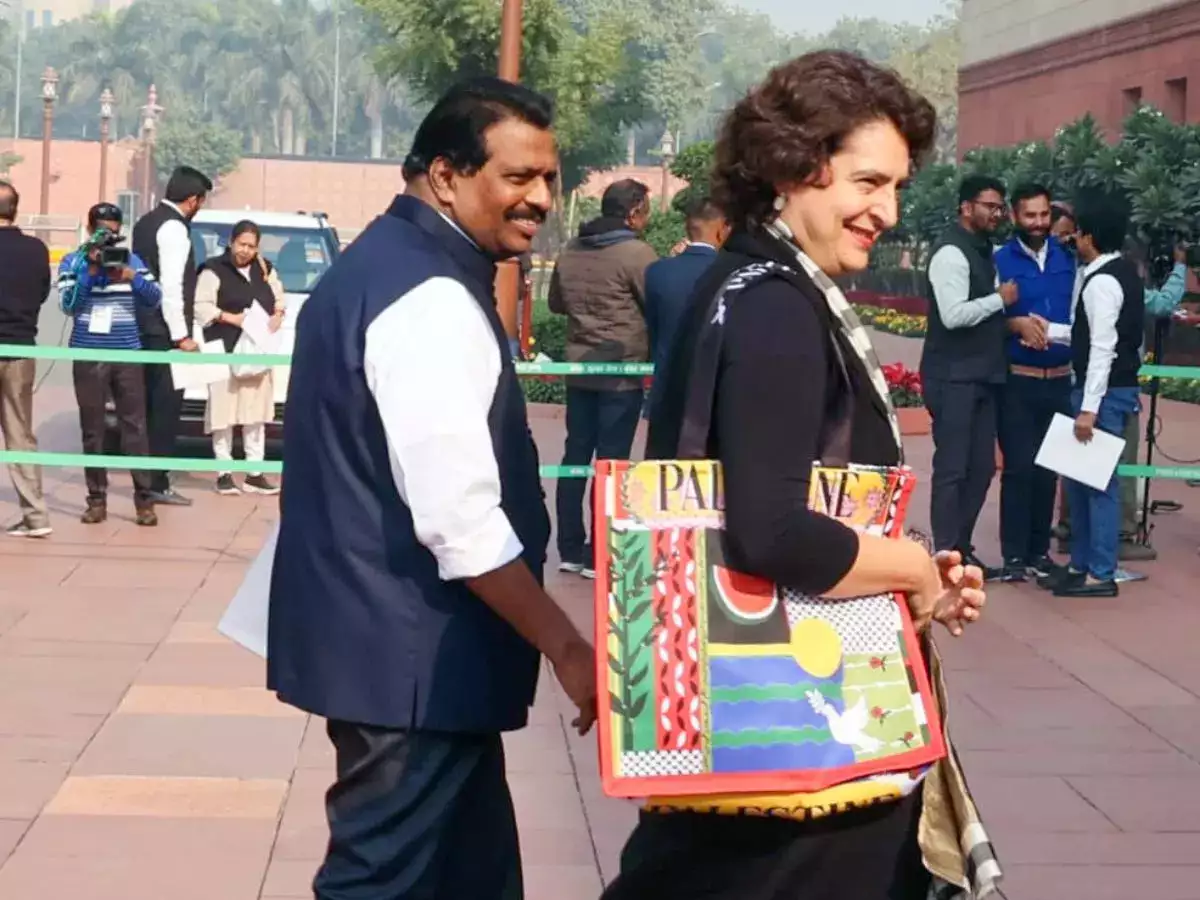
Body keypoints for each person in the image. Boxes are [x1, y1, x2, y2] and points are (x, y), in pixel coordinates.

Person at [602, 51, 994, 900]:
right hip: (800, 753)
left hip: (754, 738)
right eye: (867, 182)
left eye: (896, 187)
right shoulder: (778, 306)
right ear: (795, 168)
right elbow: (771, 527)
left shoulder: (740, 281)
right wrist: (914, 569)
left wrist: (912, 573)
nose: (886, 210)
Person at [266, 77, 597, 900]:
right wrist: (566, 645)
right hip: (411, 665)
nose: (540, 199)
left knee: (468, 877)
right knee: (381, 882)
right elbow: (462, 525)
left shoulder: (380, 265)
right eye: (517, 177)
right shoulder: (429, 296)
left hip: (411, 662)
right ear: (444, 174)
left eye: (549, 179)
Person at [549, 178, 657, 578]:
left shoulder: (571, 249)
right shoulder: (637, 254)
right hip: (621, 374)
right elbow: (655, 302)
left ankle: (569, 550)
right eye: (645, 209)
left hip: (579, 370)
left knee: (575, 458)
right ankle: (600, 553)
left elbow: (557, 303)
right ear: (632, 212)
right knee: (611, 463)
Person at [1038, 191, 1145, 598]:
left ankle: (1099, 571)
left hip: (1102, 393)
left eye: (1077, 233)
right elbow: (1093, 336)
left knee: (1097, 484)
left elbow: (1103, 348)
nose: (1073, 239)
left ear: (1089, 237)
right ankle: (1082, 564)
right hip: (1106, 389)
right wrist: (1049, 329)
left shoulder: (1102, 283)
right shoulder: (1121, 273)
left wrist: (1088, 408)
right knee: (1083, 481)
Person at [920, 175, 1018, 580]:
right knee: (953, 469)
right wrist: (1001, 300)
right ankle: (945, 556)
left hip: (982, 376)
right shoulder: (950, 253)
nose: (996, 213)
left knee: (981, 469)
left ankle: (961, 546)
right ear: (966, 207)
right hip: (952, 377)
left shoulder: (983, 252)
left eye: (999, 207)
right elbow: (953, 314)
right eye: (988, 206)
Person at [58, 202, 162, 526]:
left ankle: (144, 501)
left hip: (127, 353)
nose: (107, 239)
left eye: (113, 232)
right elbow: (68, 305)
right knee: (94, 430)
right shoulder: (73, 261)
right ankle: (96, 500)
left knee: (135, 427)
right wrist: (89, 272)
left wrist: (132, 278)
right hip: (89, 354)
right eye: (101, 231)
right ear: (90, 231)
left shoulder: (130, 260)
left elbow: (155, 298)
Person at [993, 184, 1077, 583]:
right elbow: (987, 318)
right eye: (1030, 216)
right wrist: (1014, 323)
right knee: (1018, 469)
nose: (1039, 223)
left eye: (1044, 215)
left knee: (1049, 471)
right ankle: (1013, 556)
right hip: (1018, 384)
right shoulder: (999, 260)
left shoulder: (1069, 260)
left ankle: (1038, 552)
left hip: (1059, 383)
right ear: (1015, 217)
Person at [131, 165, 212, 507]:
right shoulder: (174, 229)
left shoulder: (145, 222)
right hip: (163, 331)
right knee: (165, 408)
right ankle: (157, 482)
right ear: (192, 200)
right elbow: (172, 287)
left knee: (148, 407)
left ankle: (145, 480)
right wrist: (181, 335)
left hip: (143, 325)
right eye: (201, 201)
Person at [194, 219, 285, 496]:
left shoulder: (265, 269)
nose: (245, 251)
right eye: (241, 244)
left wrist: (278, 315)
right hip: (223, 347)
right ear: (231, 242)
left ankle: (255, 472)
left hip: (257, 349)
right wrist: (230, 318)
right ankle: (224, 472)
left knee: (255, 414)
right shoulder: (213, 271)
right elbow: (201, 307)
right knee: (223, 413)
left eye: (251, 246)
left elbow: (279, 297)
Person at [643, 194, 729, 420]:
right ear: (722, 230)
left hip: (665, 393)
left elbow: (652, 329)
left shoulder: (657, 272)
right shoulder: (731, 273)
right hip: (712, 398)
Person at [0, 180, 51, 538]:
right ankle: (35, 516)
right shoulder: (36, 250)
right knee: (20, 434)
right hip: (20, 348)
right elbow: (43, 292)